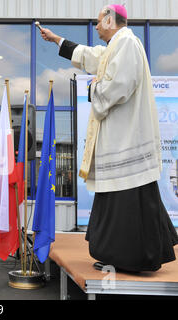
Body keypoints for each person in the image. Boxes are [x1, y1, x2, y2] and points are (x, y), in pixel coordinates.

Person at [39, 4, 178, 272]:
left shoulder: (127, 44)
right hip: (121, 140)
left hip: (126, 142)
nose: (95, 26)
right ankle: (125, 256)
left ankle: (129, 259)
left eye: (98, 21)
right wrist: (57, 40)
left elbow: (119, 86)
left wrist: (93, 89)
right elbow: (92, 56)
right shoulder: (118, 45)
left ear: (110, 20)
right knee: (125, 202)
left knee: (126, 204)